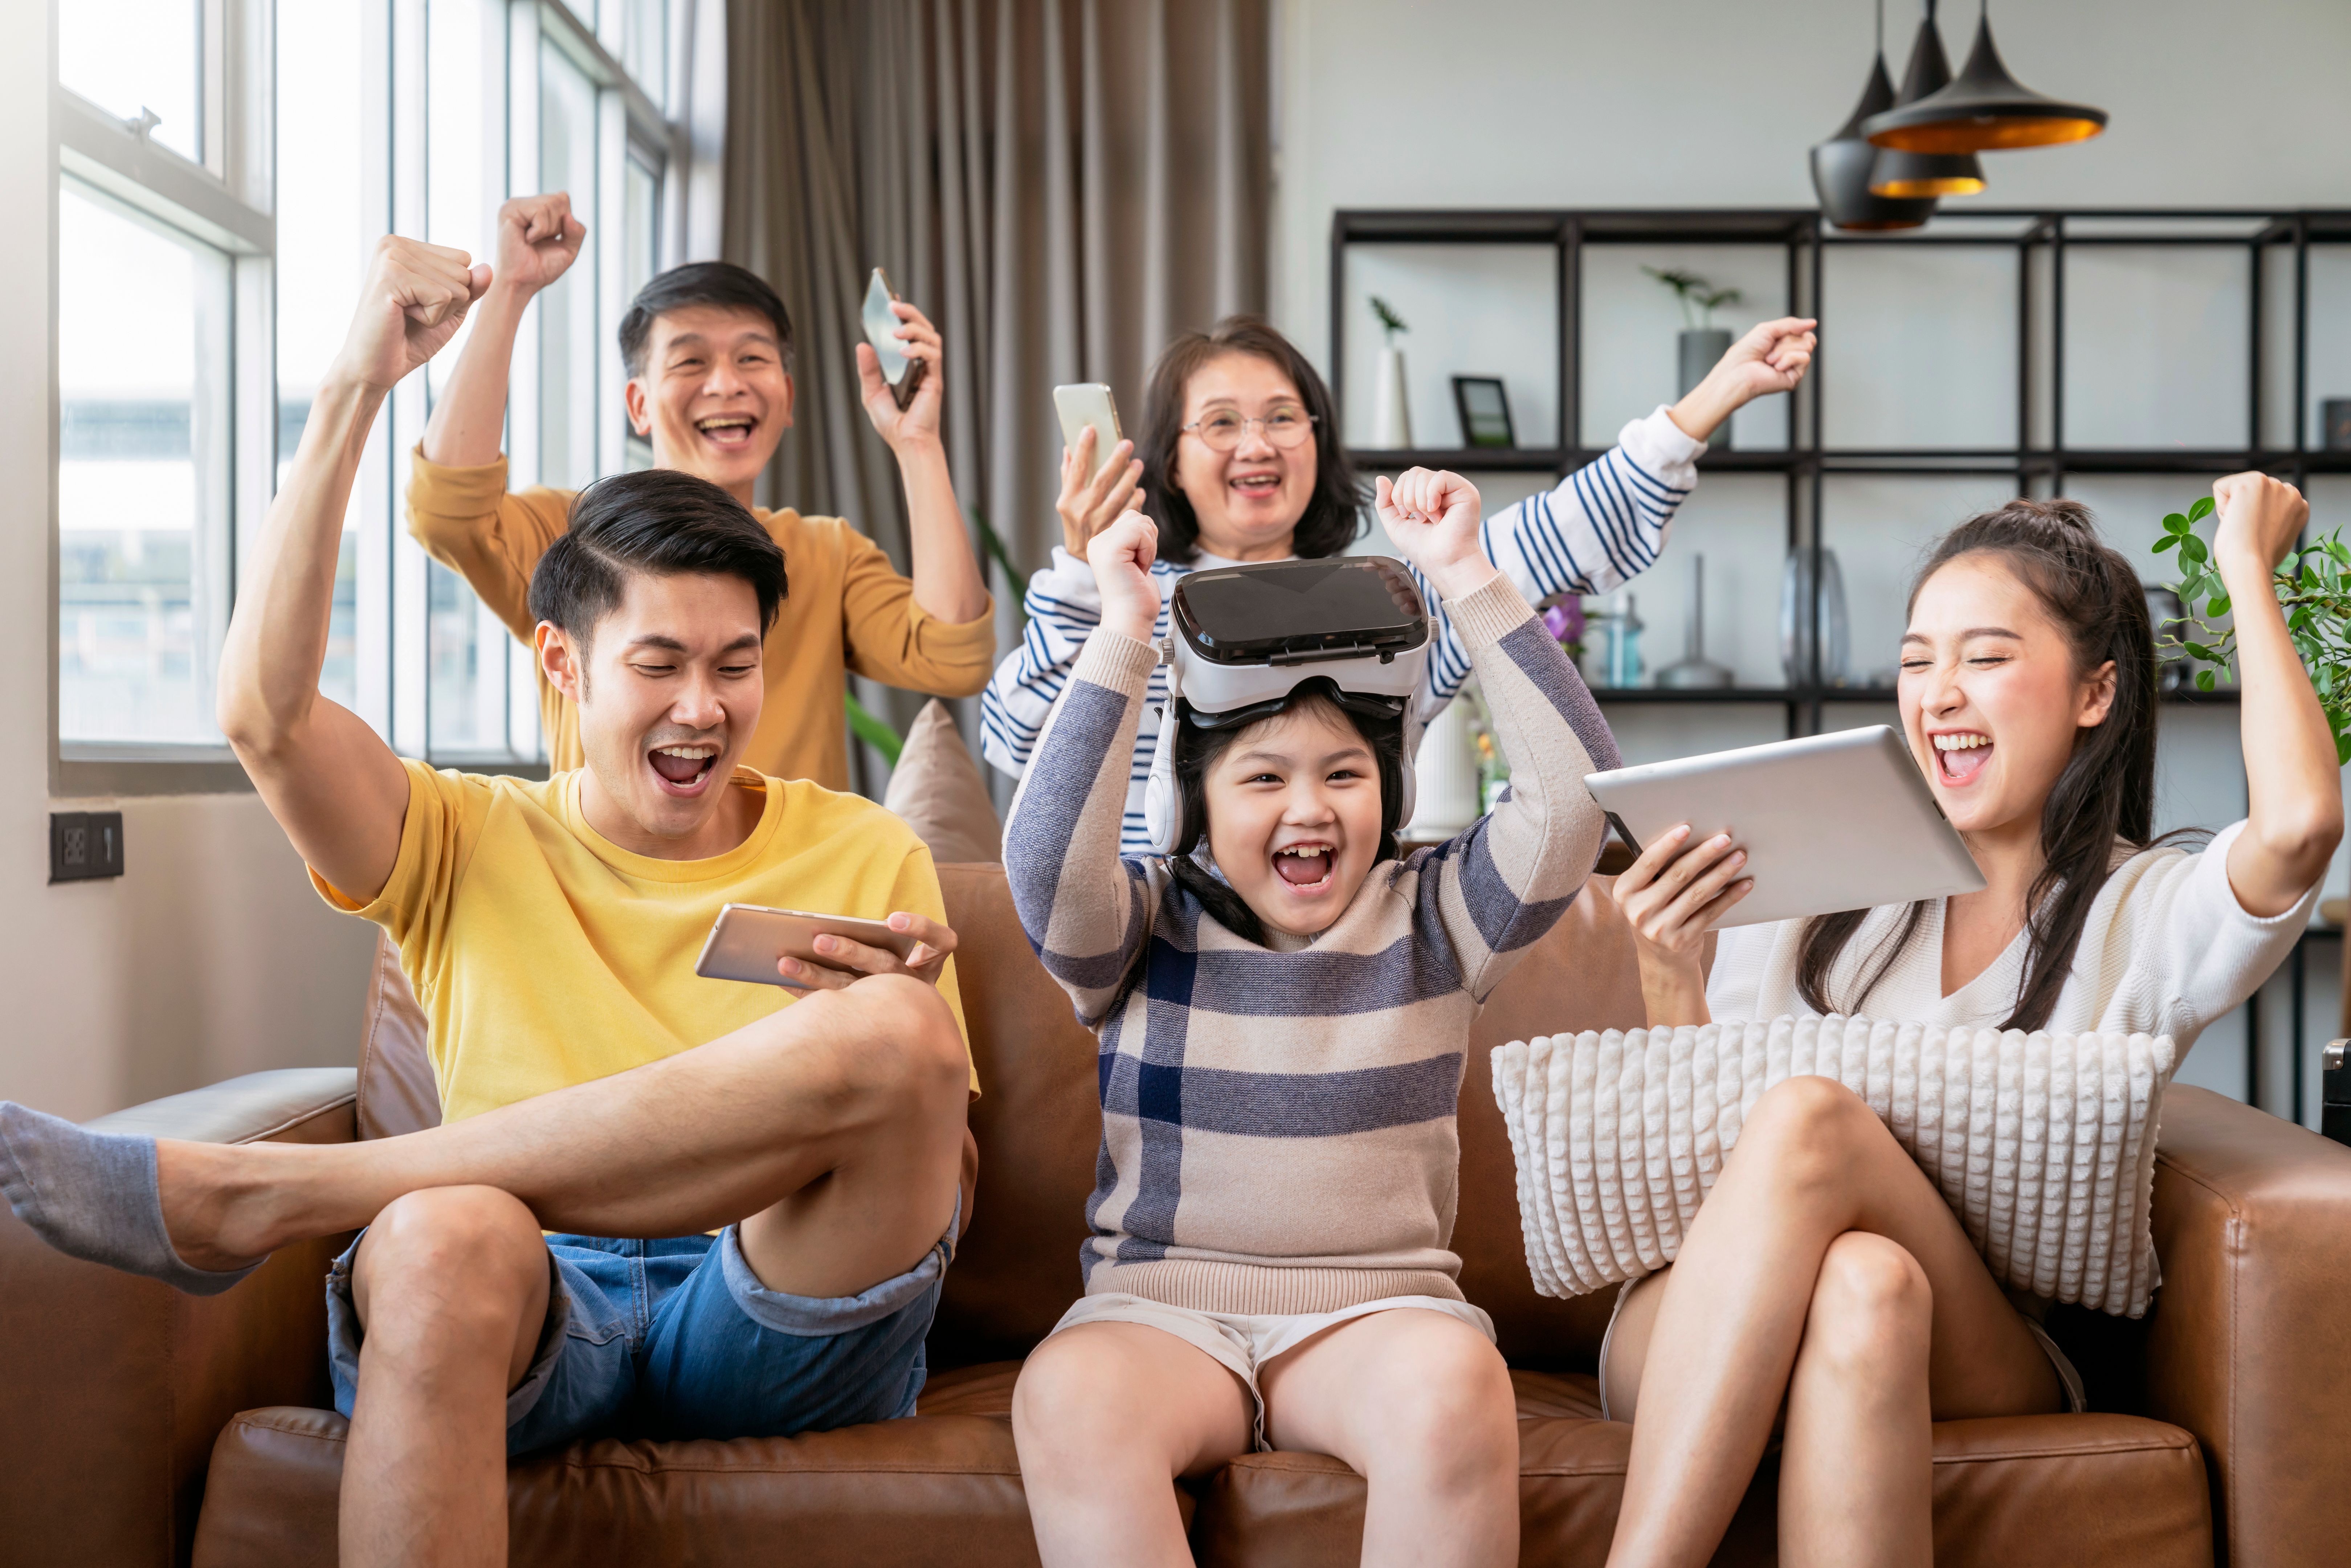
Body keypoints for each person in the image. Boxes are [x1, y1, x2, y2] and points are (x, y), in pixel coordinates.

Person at [0, 235, 981, 1568]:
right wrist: (354, 385)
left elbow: (949, 1193)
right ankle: (328, 1196)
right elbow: (261, 716)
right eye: (661, 665)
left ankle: (285, 1194)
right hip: (532, 1290)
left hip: (778, 1297)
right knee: (444, 1233)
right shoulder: (464, 834)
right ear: (561, 665)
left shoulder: (865, 848)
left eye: (736, 668)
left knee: (902, 1036)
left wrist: (860, 1085)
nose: (705, 708)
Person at [1595, 479, 2342, 1565]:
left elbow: (2302, 822)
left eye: (1984, 659)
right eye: (1914, 661)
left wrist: (2243, 568)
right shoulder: (1815, 876)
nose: (1938, 693)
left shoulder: (2143, 911)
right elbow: (1688, 1161)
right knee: (1864, 1284)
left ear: (2094, 692)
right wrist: (1668, 971)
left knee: (1814, 1124)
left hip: (1988, 1337)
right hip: (1694, 1319)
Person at [1001, 468, 1615, 1567]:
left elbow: (1574, 803)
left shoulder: (1439, 913)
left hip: (1377, 1318)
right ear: (1193, 807)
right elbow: (1045, 860)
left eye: (1344, 773)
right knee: (1068, 1396)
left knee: (1452, 1386)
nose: (1309, 808)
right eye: (1262, 779)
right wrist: (1125, 633)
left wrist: (1463, 574)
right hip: (1160, 1314)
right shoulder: (1142, 920)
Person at [980, 311, 1816, 851]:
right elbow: (1017, 740)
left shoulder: (1387, 599)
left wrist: (1713, 397)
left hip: (1351, 946)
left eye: (1281, 417)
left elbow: (1556, 535)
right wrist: (1090, 579)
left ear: (1316, 437)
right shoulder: (1128, 600)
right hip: (1161, 945)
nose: (1256, 444)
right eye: (1221, 423)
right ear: (1167, 455)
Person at [412, 191, 995, 791]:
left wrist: (917, 442)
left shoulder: (827, 554)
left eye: (751, 358)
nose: (726, 384)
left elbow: (953, 655)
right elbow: (447, 513)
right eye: (690, 363)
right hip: (611, 881)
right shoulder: (574, 535)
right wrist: (509, 287)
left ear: (787, 399)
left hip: (779, 885)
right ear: (638, 404)